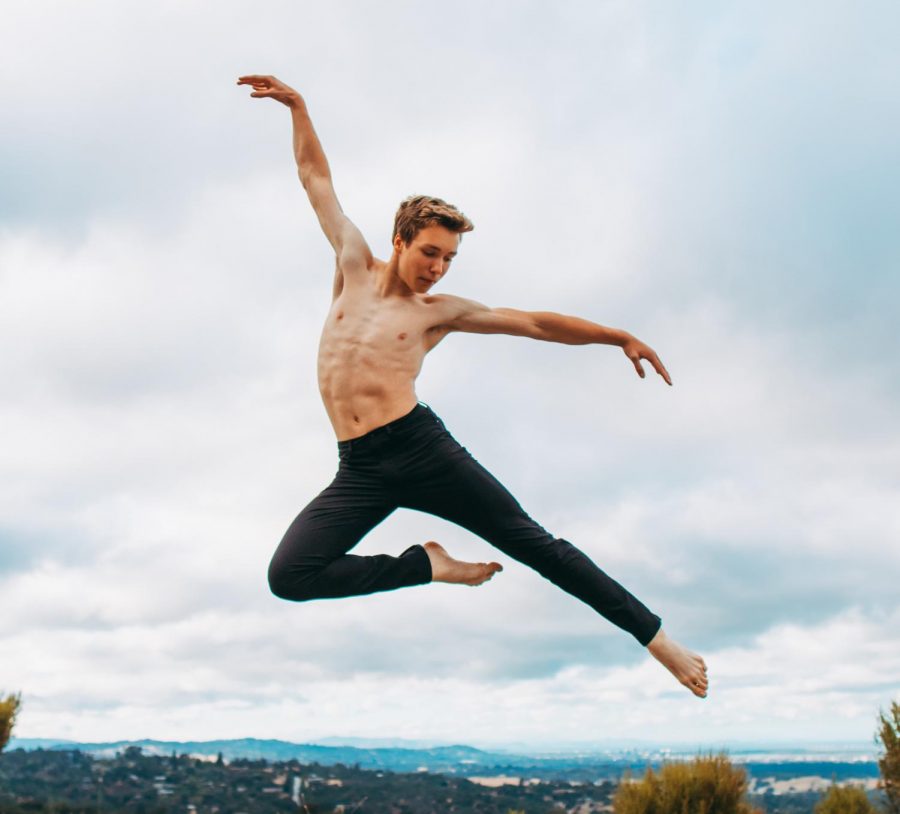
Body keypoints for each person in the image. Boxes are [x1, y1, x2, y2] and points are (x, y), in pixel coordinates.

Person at [237, 74, 709, 699]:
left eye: (449, 260)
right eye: (430, 252)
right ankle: (426, 566)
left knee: (537, 546)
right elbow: (314, 178)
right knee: (290, 575)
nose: (437, 268)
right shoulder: (351, 261)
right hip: (360, 468)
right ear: (399, 240)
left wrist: (614, 334)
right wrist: (298, 107)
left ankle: (658, 640)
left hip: (422, 452)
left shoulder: (439, 312)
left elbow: (534, 322)